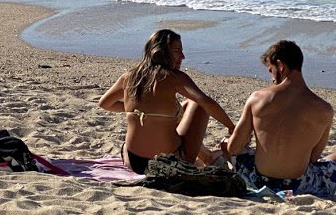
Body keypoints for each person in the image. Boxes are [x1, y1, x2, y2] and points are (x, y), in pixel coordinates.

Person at [222, 40, 336, 197]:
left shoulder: (257, 98)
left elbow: (233, 149)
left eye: (271, 70)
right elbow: (313, 158)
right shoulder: (324, 109)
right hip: (299, 186)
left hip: (257, 180)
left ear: (280, 65)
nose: (271, 79)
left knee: (226, 143)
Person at [99, 29, 235, 174]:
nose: (183, 56)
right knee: (198, 104)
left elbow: (105, 103)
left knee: (183, 107)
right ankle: (208, 158)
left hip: (133, 161)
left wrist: (132, 109)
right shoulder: (175, 78)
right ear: (160, 52)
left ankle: (207, 155)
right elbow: (207, 103)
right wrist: (231, 127)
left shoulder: (129, 77)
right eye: (177, 50)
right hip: (169, 163)